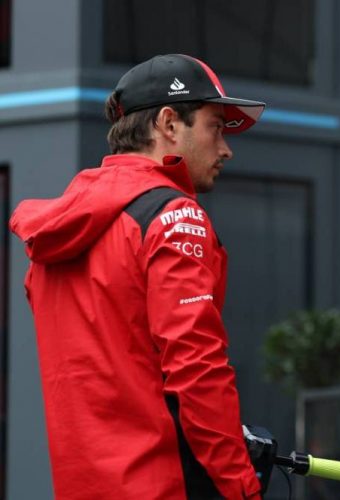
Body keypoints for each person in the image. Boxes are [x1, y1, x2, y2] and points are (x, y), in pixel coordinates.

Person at [10, 54, 266, 499]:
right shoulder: (174, 216)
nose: (226, 149)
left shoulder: (58, 234)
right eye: (215, 127)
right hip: (163, 484)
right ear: (169, 123)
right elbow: (198, 369)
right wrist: (242, 487)